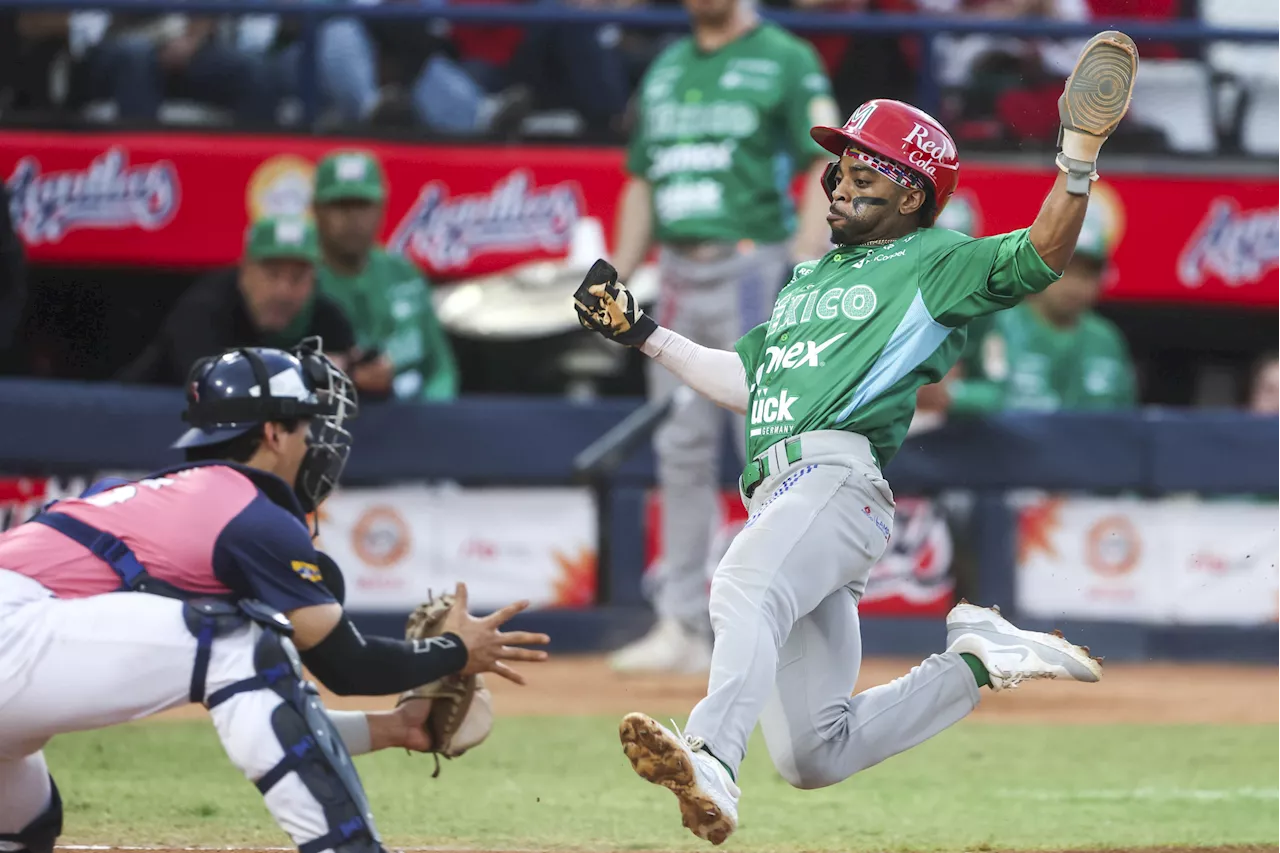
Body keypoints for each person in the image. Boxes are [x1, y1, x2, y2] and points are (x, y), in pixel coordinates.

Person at [574, 30, 1137, 845]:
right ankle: (978, 660)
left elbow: (1045, 252)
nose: (836, 181)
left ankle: (712, 758)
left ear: (911, 194)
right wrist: (642, 333)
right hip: (787, 490)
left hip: (835, 478)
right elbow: (750, 381)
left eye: (861, 169)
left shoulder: (933, 260)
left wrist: (1078, 152)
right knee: (812, 752)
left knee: (739, 585)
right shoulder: (810, 276)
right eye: (836, 167)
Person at [0, 338, 549, 852]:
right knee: (240, 644)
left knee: (26, 824)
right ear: (272, 434)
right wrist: (458, 650)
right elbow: (348, 667)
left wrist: (396, 728)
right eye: (305, 425)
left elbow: (270, 699)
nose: (314, 440)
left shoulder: (153, 497)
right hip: (13, 632)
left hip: (19, 649)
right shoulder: (249, 511)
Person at [606, 0, 842, 674]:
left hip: (752, 267)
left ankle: (781, 622)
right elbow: (642, 179)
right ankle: (680, 622)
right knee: (678, 445)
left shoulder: (786, 57)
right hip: (676, 272)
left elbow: (827, 165)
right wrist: (616, 274)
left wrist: (805, 261)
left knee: (767, 443)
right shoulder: (667, 67)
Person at [118, 216, 357, 386]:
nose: (284, 292)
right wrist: (309, 373)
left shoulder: (327, 319)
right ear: (245, 271)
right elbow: (211, 382)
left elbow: (353, 379)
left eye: (297, 278)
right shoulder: (205, 308)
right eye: (272, 275)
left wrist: (362, 375)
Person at [941, 215, 1137, 413]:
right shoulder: (1000, 322)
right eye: (1064, 269)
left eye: (1086, 274)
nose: (1074, 285)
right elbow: (984, 392)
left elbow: (1126, 418)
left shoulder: (1107, 338)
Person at [313, 150, 460, 402]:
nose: (353, 219)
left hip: (411, 420)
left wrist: (434, 416)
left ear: (381, 208)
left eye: (362, 206)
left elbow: (440, 369)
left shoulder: (404, 272)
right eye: (340, 206)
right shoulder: (300, 283)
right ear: (316, 211)